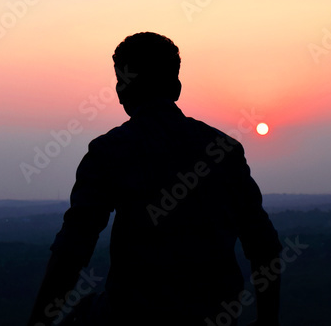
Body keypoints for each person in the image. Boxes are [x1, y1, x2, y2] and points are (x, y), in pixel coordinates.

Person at [26, 32, 281, 326]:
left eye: (120, 82)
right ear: (176, 87)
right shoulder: (224, 150)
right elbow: (265, 247)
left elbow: (72, 251)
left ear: (124, 90)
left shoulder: (110, 151)